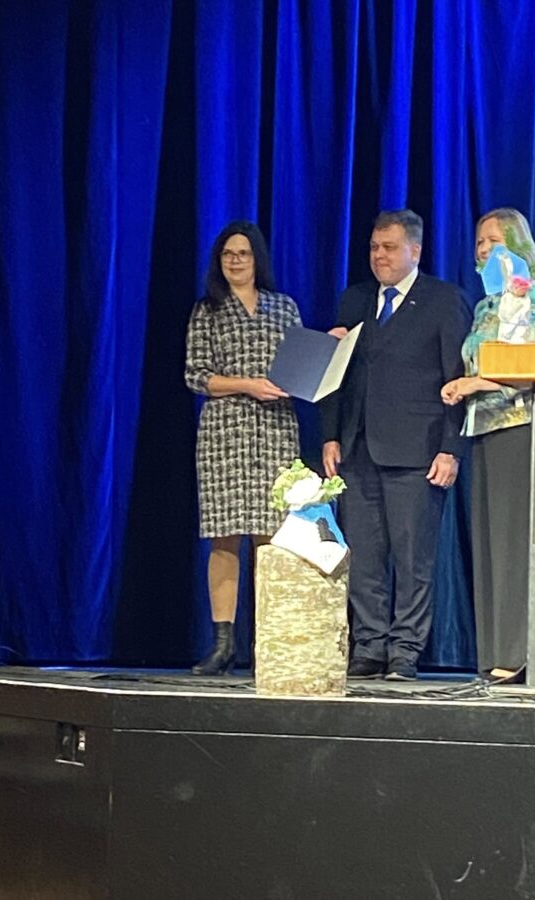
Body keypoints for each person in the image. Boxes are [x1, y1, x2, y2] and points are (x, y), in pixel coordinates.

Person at [321, 209, 470, 680]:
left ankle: (405, 650)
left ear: (415, 251)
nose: (379, 256)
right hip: (358, 448)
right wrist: (330, 435)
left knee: (411, 559)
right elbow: (336, 377)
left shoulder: (444, 300)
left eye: (389, 247)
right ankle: (369, 645)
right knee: (363, 557)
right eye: (373, 247)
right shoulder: (355, 300)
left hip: (417, 451)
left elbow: (457, 378)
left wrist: (451, 448)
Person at [441, 207, 535, 681]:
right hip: (484, 427)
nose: (485, 249)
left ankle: (517, 652)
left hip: (516, 424)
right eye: (480, 242)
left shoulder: (533, 295)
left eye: (494, 240)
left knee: (510, 542)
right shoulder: (487, 305)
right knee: (488, 544)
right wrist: (466, 384)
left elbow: (531, 364)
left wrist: (474, 383)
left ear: (517, 245)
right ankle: (492, 653)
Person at [185, 221, 301, 675]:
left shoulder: (283, 307)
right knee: (226, 537)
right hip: (225, 434)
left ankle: (270, 641)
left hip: (275, 431)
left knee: (273, 539)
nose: (235, 261)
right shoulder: (207, 311)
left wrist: (323, 353)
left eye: (243, 253)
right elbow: (196, 375)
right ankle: (223, 644)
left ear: (258, 259)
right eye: (228, 254)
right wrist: (247, 385)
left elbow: (299, 367)